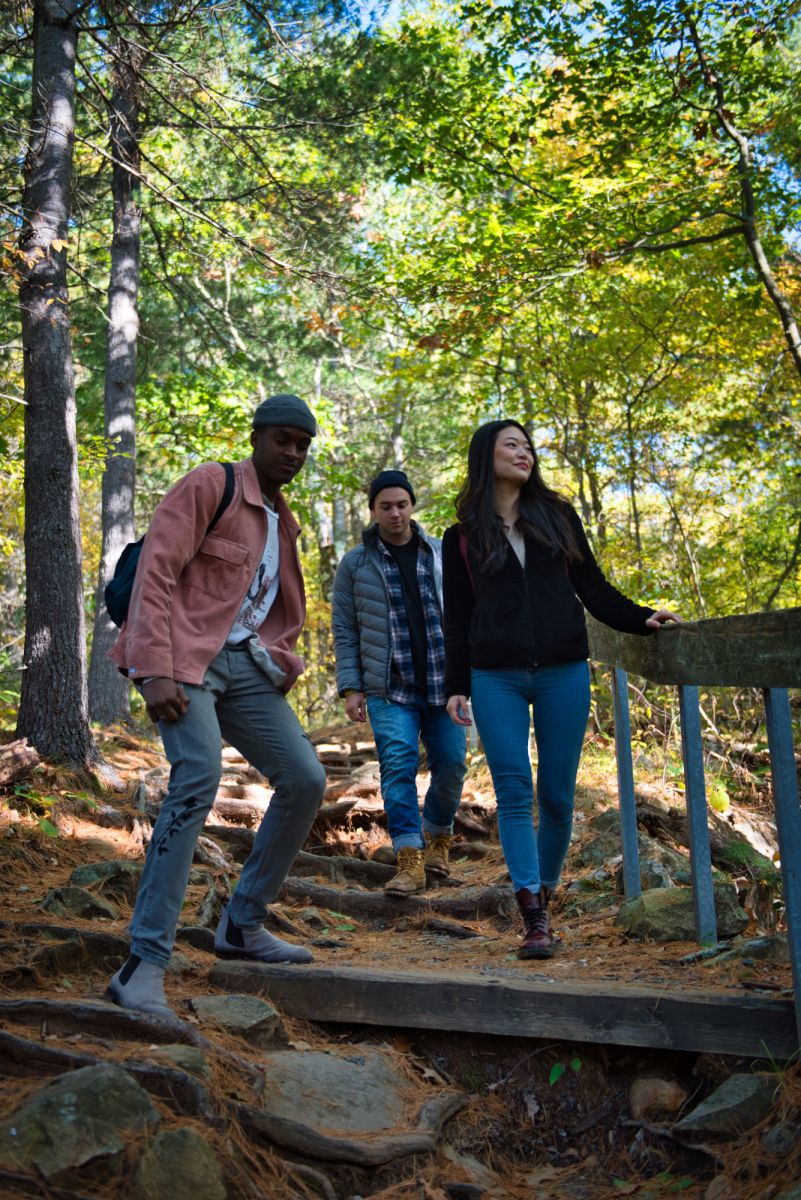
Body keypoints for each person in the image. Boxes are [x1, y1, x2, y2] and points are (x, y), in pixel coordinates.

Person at [106, 394, 326, 1018]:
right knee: (198, 775)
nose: (293, 452)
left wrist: (280, 656)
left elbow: (270, 607)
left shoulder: (283, 521)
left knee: (306, 778)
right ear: (257, 437)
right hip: (181, 659)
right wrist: (152, 669)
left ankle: (241, 924)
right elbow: (156, 573)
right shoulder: (213, 484)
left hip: (246, 667)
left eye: (303, 444)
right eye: (283, 439)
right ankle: (143, 963)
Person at [442, 420, 681, 960]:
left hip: (564, 671)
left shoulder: (558, 516)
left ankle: (545, 895)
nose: (524, 453)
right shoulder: (460, 538)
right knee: (512, 788)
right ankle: (532, 914)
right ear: (487, 456)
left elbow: (592, 588)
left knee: (555, 794)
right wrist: (456, 686)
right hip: (494, 676)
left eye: (528, 446)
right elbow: (457, 619)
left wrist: (643, 617)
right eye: (512, 445)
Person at [332, 470, 467, 895]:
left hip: (445, 685)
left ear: (412, 506)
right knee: (398, 764)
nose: (394, 512)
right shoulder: (356, 563)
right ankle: (409, 858)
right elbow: (345, 628)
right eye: (385, 506)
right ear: (373, 511)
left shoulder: (441, 552)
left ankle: (438, 840)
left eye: (401, 504)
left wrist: (471, 674)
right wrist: (351, 686)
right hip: (389, 687)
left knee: (452, 764)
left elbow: (466, 615)